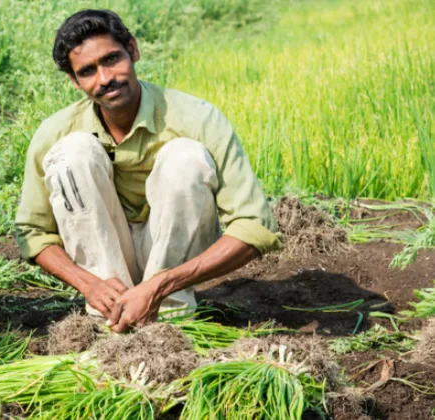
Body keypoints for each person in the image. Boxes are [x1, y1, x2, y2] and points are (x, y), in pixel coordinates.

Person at [15, 10, 283, 334]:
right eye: (87, 71)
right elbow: (34, 234)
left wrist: (160, 285)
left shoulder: (197, 118)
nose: (105, 78)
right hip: (105, 260)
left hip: (176, 259)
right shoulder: (54, 132)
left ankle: (169, 327)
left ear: (133, 50)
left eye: (112, 59)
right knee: (73, 155)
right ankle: (109, 319)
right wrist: (90, 285)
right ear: (74, 81)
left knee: (185, 157)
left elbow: (255, 227)